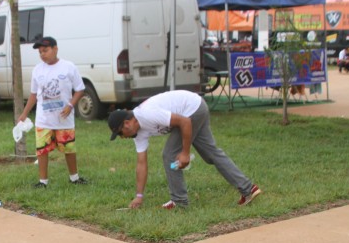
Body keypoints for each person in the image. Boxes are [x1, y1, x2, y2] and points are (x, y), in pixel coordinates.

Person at [108, 90, 261, 210]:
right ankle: (248, 189)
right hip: (196, 106)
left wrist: (185, 153)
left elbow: (185, 122)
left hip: (192, 110)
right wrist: (139, 196)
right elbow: (141, 164)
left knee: (169, 154)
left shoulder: (147, 114)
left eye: (120, 134)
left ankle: (179, 201)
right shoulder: (138, 133)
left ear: (127, 123)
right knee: (211, 154)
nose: (122, 137)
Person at [18, 36, 87, 188]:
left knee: (69, 148)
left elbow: (80, 89)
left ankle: (74, 178)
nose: (43, 54)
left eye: (46, 50)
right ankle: (43, 182)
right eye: (40, 52)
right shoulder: (37, 70)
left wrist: (70, 105)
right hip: (44, 119)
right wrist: (24, 113)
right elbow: (34, 94)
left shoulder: (68, 67)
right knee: (42, 150)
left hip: (64, 119)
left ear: (55, 49)